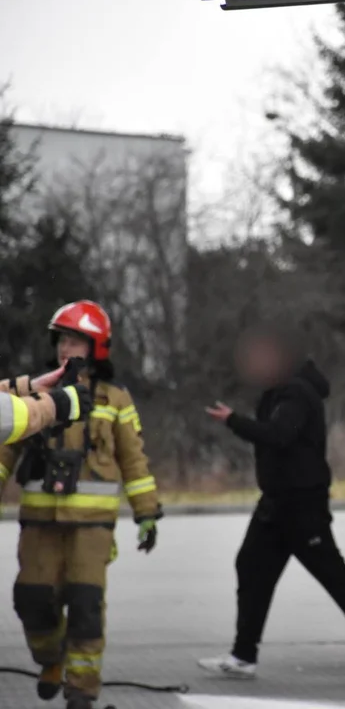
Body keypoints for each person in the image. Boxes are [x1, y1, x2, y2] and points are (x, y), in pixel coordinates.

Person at [200, 326, 345, 681]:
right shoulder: (277, 391)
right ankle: (244, 656)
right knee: (251, 567)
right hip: (273, 505)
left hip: (303, 508)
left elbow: (279, 435)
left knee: (334, 576)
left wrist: (233, 421)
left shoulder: (295, 393)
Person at [0, 301, 162, 709]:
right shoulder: (37, 395)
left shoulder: (114, 399)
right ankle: (50, 660)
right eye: (62, 339)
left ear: (97, 347)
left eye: (75, 340)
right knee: (32, 600)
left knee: (87, 608)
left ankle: (81, 694)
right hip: (39, 522)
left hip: (92, 527)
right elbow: (5, 454)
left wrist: (146, 512)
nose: (65, 348)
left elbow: (134, 459)